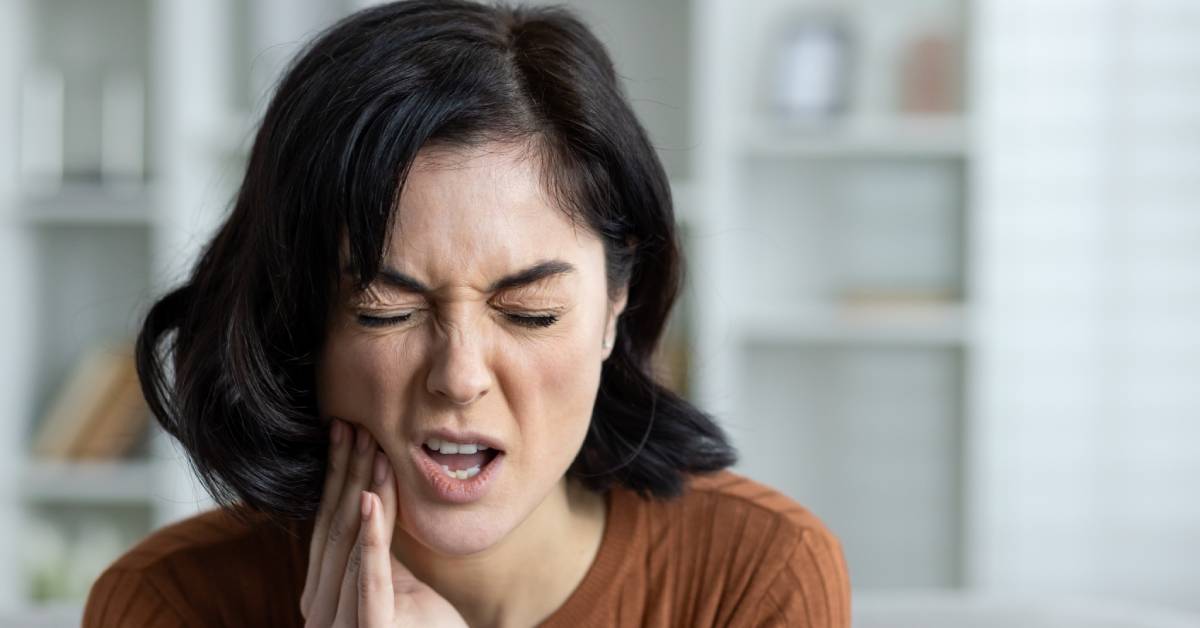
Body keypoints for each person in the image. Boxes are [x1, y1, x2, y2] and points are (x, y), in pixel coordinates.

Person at [82, 1, 850, 626]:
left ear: (615, 305)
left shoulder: (753, 577)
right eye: (386, 311)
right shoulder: (169, 604)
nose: (458, 376)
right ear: (300, 321)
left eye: (530, 312)